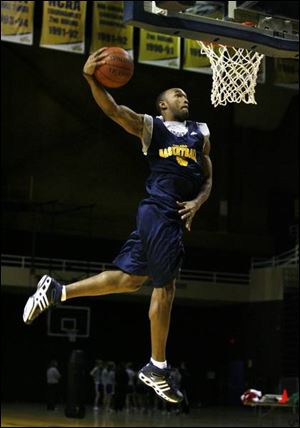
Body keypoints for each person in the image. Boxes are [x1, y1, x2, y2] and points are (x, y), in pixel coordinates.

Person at [23, 47, 212, 405]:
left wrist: (200, 201)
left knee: (129, 281)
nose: (183, 97)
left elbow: (208, 175)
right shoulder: (152, 128)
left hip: (166, 214)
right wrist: (89, 79)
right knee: (166, 288)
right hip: (161, 211)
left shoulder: (200, 132)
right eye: (176, 94)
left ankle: (58, 291)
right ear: (162, 106)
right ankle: (157, 366)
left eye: (185, 94)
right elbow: (113, 110)